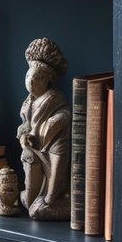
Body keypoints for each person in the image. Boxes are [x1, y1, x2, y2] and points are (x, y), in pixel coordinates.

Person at [16, 37, 72, 220]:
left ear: (48, 80)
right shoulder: (27, 103)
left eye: (38, 78)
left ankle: (53, 198)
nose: (31, 81)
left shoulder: (54, 97)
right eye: (28, 76)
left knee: (51, 190)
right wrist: (24, 136)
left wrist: (55, 122)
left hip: (54, 146)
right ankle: (37, 199)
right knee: (28, 162)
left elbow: (65, 114)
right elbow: (25, 125)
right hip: (36, 147)